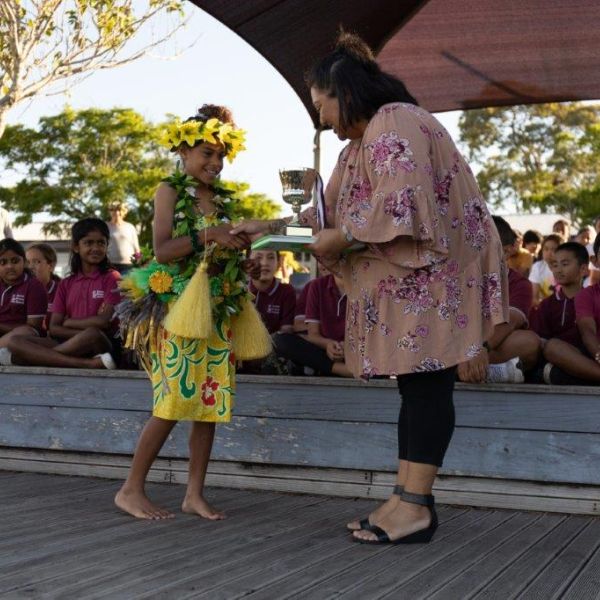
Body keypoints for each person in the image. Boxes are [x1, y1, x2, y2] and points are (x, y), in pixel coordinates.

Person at [231, 32, 508, 544]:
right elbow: (324, 220)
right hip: (416, 279)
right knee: (416, 385)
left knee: (427, 384)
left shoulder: (394, 120)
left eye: (322, 105)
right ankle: (405, 498)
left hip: (438, 273)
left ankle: (417, 506)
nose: (322, 120)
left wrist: (342, 235)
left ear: (344, 90)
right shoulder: (359, 145)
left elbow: (401, 204)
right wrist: (265, 228)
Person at [114, 104, 266, 520]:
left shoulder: (219, 199)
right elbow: (163, 250)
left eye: (221, 155)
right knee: (174, 399)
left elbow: (216, 253)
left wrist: (241, 262)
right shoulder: (168, 189)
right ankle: (130, 489)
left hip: (217, 309)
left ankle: (193, 494)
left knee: (209, 401)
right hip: (178, 309)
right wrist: (209, 234)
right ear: (183, 150)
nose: (215, 163)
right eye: (206, 153)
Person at [4, 219, 120, 369]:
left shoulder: (112, 277)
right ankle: (87, 364)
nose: (96, 248)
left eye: (101, 243)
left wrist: (68, 322)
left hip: (99, 343)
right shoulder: (67, 283)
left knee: (92, 333)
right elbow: (54, 328)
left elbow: (103, 322)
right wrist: (74, 326)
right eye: (89, 243)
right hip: (68, 342)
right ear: (76, 247)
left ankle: (39, 358)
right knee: (15, 341)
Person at [458, 216, 540, 384]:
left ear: (508, 250)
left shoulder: (519, 283)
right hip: (460, 345)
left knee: (529, 342)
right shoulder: (458, 276)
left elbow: (512, 318)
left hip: (488, 344)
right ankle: (484, 372)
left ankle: (468, 371)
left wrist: (481, 347)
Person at [530, 242, 592, 384]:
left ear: (583, 269)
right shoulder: (547, 305)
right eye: (555, 265)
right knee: (553, 347)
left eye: (565, 264)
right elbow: (540, 341)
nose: (558, 270)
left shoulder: (593, 300)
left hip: (588, 356)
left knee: (552, 373)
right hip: (559, 358)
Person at [275, 272, 352, 377]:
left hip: (358, 352)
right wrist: (328, 344)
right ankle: (339, 369)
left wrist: (347, 347)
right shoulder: (318, 285)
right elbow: (313, 334)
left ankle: (327, 368)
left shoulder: (370, 286)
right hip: (325, 350)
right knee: (281, 340)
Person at [0, 239, 47, 352]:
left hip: (22, 338)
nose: (9, 266)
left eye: (15, 261)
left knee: (26, 331)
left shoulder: (34, 286)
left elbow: (34, 326)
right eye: (3, 262)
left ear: (24, 262)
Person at [26, 243, 61, 333]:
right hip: (24, 339)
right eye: (27, 262)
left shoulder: (62, 290)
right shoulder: (20, 289)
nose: (30, 267)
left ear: (51, 266)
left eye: (36, 262)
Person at [106, 201, 140, 274]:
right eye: (113, 210)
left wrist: (138, 262)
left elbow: (136, 247)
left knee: (126, 285)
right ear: (110, 212)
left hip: (128, 266)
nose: (117, 213)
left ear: (124, 212)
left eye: (119, 210)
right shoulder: (105, 227)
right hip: (110, 265)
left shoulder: (130, 227)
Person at [529, 233, 562, 305]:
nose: (549, 253)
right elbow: (534, 298)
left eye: (554, 250)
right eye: (546, 249)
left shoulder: (566, 268)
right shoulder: (537, 267)